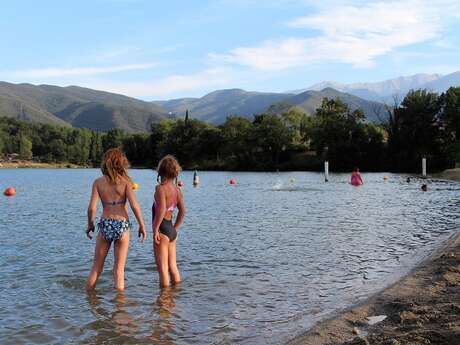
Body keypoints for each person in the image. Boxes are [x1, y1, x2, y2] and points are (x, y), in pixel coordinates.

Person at [86, 148, 147, 291]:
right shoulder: (126, 182)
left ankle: (89, 298)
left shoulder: (98, 182)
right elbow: (135, 206)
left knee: (96, 268)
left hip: (105, 224)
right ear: (121, 163)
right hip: (122, 225)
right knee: (119, 271)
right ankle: (120, 306)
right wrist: (142, 225)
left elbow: (91, 208)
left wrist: (90, 224)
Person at [152, 155, 186, 287]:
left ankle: (164, 301)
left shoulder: (160, 188)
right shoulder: (177, 190)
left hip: (162, 230)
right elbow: (182, 211)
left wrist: (155, 229)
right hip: (171, 230)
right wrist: (175, 229)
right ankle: (176, 293)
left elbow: (160, 210)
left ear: (160, 172)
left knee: (162, 270)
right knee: (173, 267)